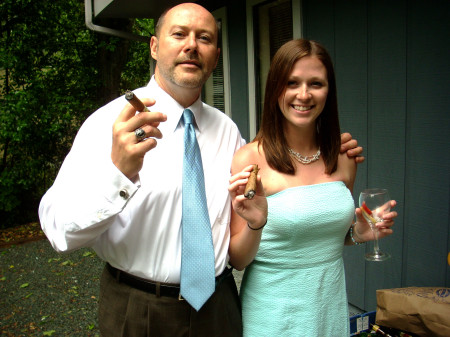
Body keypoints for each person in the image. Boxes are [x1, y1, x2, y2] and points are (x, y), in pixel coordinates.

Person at [38, 3, 362, 336]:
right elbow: (59, 231)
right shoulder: (109, 125)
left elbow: (266, 195)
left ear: (215, 55)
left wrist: (328, 150)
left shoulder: (227, 132)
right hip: (138, 308)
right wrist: (118, 174)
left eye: (204, 37)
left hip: (218, 307)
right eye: (179, 34)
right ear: (154, 46)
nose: (191, 45)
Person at [229, 39, 398, 336]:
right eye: (292, 83)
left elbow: (323, 231)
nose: (303, 95)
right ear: (275, 89)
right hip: (273, 314)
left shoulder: (344, 158)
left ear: (328, 90)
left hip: (328, 308)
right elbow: (238, 259)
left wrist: (358, 232)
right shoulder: (250, 158)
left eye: (315, 83)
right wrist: (256, 224)